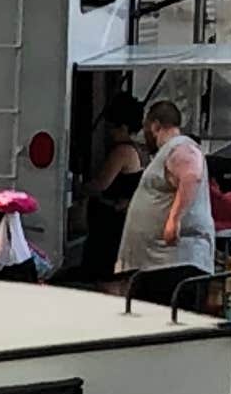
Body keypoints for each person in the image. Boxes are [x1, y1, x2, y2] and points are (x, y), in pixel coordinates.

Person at [113, 93, 216, 307]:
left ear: (155, 126)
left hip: (173, 264)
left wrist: (173, 220)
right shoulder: (167, 152)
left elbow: (191, 175)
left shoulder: (180, 146)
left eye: (146, 129)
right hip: (157, 264)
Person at [75, 87, 146, 276]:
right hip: (123, 220)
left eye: (112, 127)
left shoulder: (121, 152)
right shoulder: (139, 150)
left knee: (105, 277)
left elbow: (101, 184)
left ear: (122, 127)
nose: (109, 132)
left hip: (110, 223)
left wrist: (79, 188)